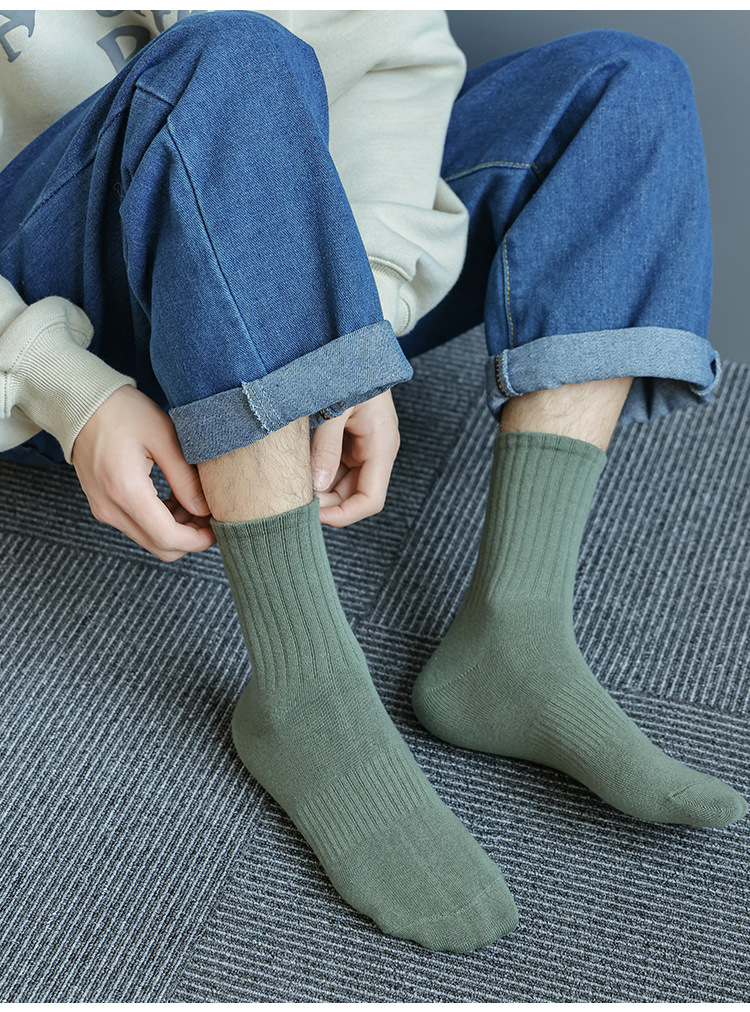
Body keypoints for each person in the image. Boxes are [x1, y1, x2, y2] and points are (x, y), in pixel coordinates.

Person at [0, 10, 746, 955]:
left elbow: (392, 64)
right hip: (48, 309)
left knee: (626, 85)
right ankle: (305, 694)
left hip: (270, 232)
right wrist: (61, 384)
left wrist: (361, 335)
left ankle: (516, 634)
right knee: (230, 59)